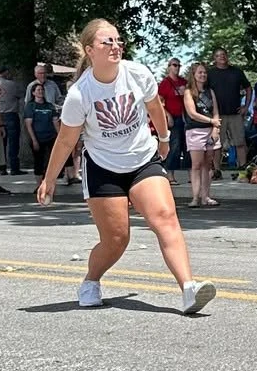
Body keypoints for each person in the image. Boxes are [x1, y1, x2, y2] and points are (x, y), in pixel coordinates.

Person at [34, 19, 216, 316]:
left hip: (142, 159)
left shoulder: (137, 73)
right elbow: (66, 141)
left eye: (119, 41)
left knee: (166, 219)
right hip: (103, 167)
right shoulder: (81, 93)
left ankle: (188, 289)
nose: (116, 46)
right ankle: (91, 281)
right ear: (90, 50)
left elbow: (155, 106)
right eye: (108, 42)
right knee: (117, 239)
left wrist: (165, 138)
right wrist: (49, 180)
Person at [183, 62, 221, 206]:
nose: (203, 75)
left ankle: (206, 196)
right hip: (195, 130)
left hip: (210, 130)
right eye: (199, 72)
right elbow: (192, 114)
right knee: (196, 164)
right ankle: (195, 197)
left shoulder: (210, 91)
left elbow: (216, 111)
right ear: (193, 75)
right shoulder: (189, 92)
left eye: (204, 72)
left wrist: (215, 128)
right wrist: (211, 120)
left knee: (208, 164)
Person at [207, 49, 249, 172]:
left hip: (235, 114)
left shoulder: (236, 72)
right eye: (218, 55)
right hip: (217, 115)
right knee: (217, 144)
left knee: (240, 142)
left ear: (227, 56)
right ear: (214, 58)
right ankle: (216, 171)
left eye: (224, 54)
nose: (222, 57)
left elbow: (248, 88)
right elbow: (203, 92)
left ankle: (243, 169)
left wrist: (245, 106)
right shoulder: (210, 74)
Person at [25, 67, 64, 185]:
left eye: (42, 90)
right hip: (37, 136)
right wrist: (34, 140)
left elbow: (55, 121)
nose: (40, 92)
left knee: (50, 160)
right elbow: (28, 123)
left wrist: (60, 137)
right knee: (39, 161)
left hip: (50, 136)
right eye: (38, 90)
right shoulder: (30, 106)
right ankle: (39, 185)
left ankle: (49, 183)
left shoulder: (50, 105)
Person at [0, 65, 24, 174]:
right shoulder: (12, 84)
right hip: (10, 114)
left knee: (1, 143)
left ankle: (2, 167)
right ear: (6, 72)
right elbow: (20, 94)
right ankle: (14, 167)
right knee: (13, 142)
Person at [156, 59, 187, 173]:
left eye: (179, 65)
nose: (177, 67)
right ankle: (170, 174)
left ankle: (190, 174)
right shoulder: (165, 83)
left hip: (185, 117)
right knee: (174, 146)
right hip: (173, 116)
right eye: (174, 65)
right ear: (169, 67)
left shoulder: (183, 81)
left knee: (186, 145)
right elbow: (158, 101)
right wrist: (168, 115)